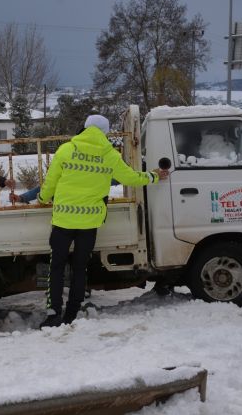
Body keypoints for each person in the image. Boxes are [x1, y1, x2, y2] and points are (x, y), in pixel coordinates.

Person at [37, 114, 169, 328]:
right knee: (80, 267)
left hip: (63, 221)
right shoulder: (109, 155)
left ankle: (53, 314)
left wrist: (42, 198)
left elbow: (51, 182)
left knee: (57, 267)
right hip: (89, 223)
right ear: (104, 133)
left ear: (85, 127)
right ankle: (72, 313)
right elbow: (130, 177)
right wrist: (153, 176)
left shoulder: (66, 149)